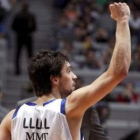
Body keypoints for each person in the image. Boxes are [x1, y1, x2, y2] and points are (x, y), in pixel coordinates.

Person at [0, 2, 131, 140]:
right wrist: (122, 20)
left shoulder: (11, 118)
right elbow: (118, 71)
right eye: (68, 71)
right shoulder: (70, 106)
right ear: (55, 79)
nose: (74, 76)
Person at [12, 2, 36, 75]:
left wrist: (19, 31)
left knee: (18, 54)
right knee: (29, 55)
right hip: (28, 37)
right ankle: (31, 70)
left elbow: (13, 26)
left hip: (20, 36)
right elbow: (34, 27)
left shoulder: (18, 15)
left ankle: (17, 70)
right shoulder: (31, 16)